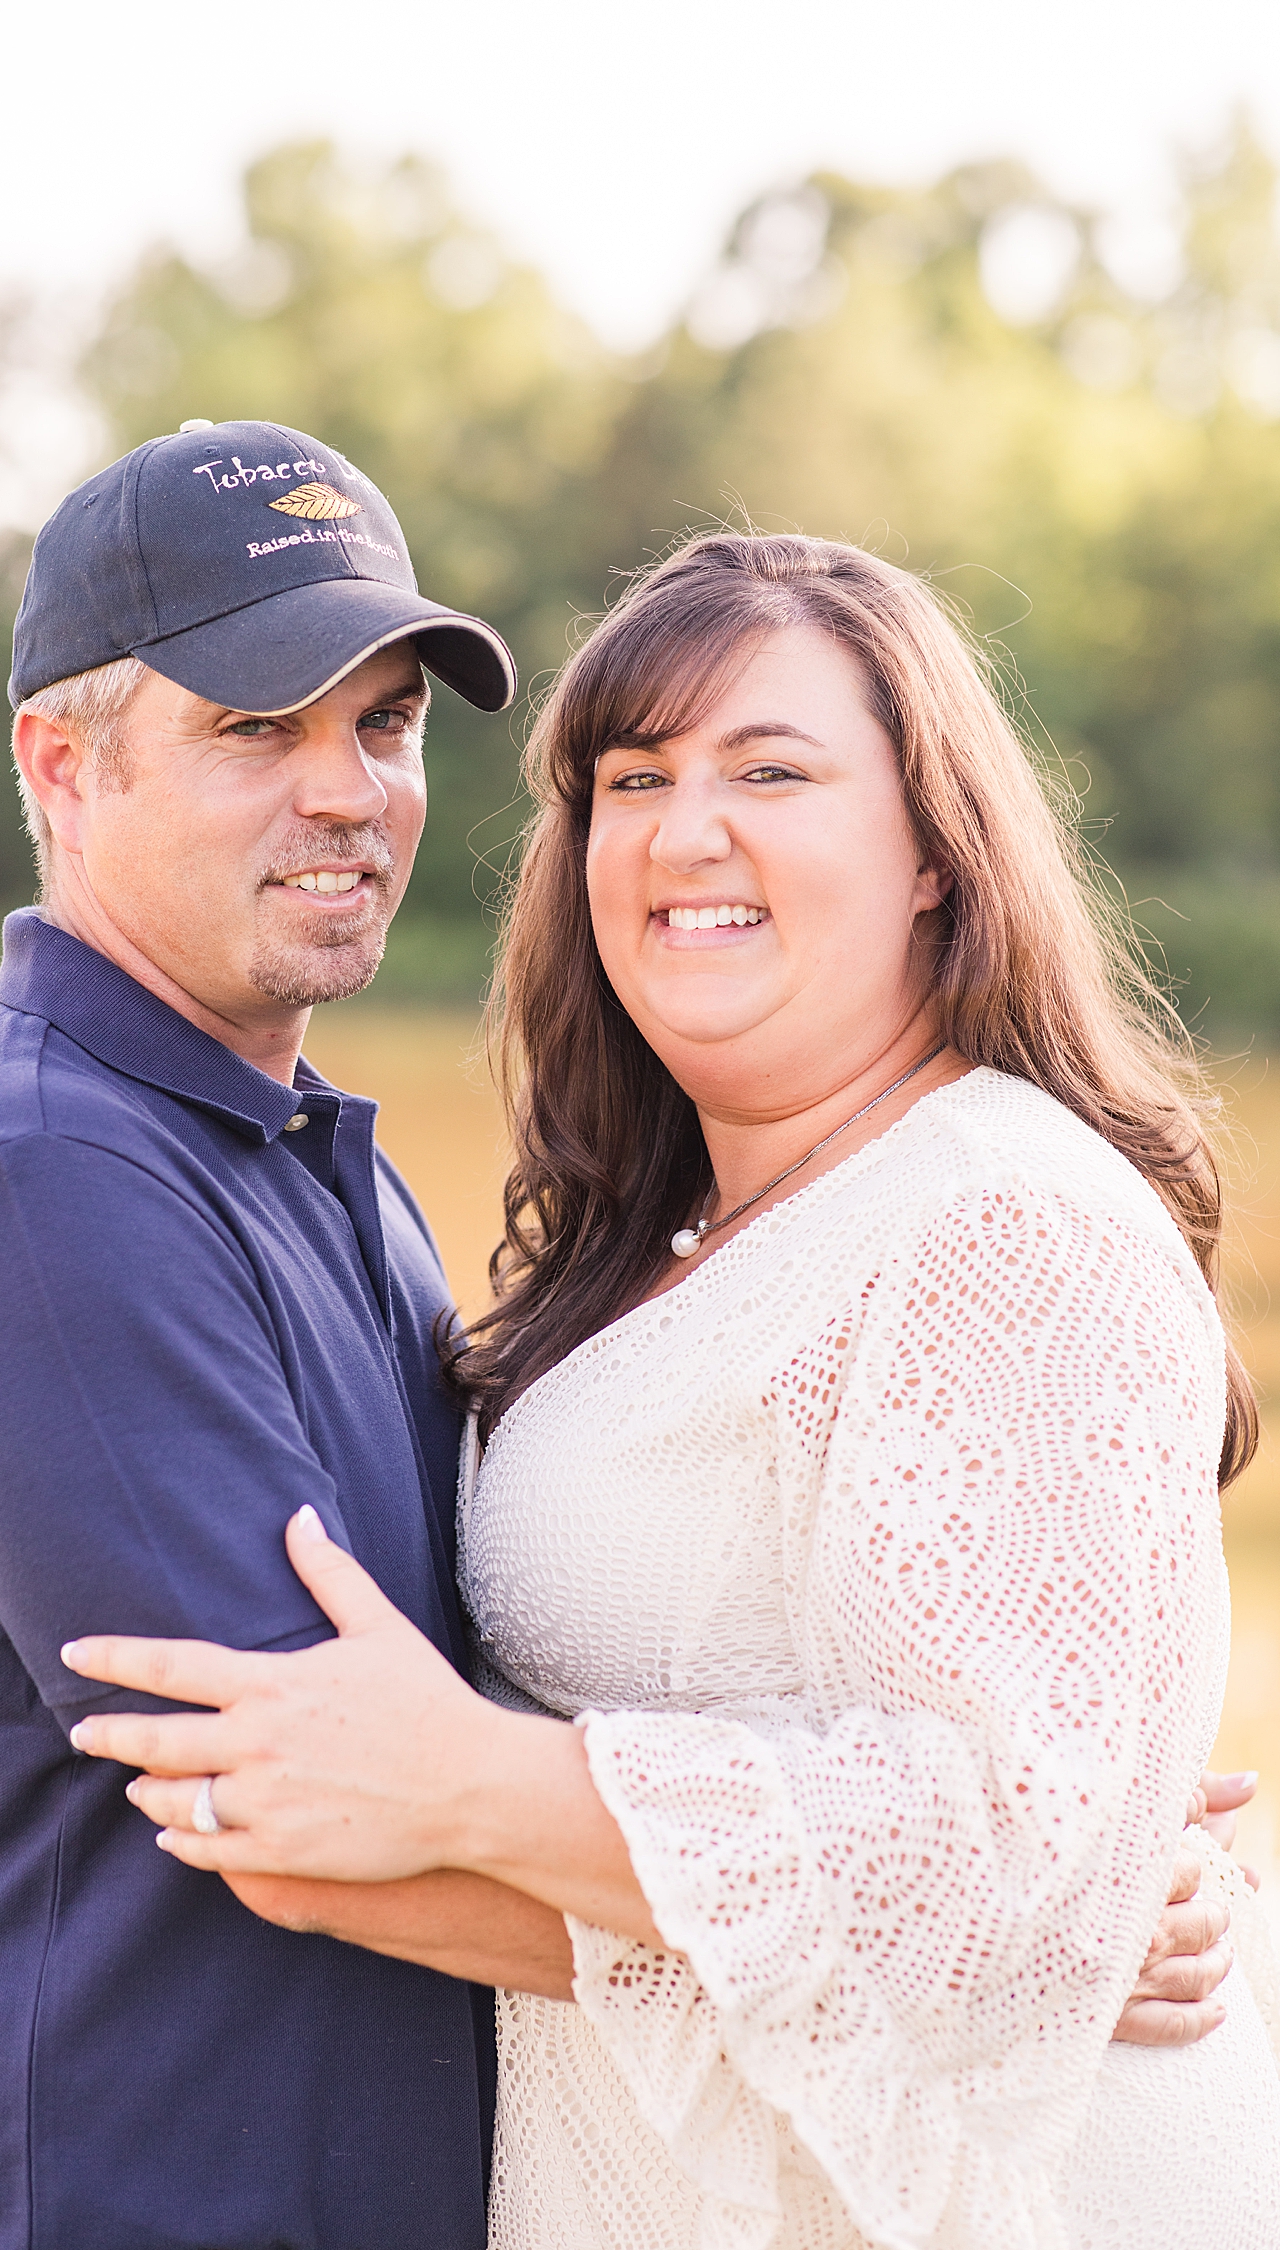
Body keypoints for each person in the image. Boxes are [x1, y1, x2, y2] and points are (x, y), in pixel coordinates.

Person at [66, 532, 1280, 2249]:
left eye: (770, 768)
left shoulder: (1002, 1215)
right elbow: (1019, 1845)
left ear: (935, 848)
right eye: (632, 777)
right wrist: (1050, 1896)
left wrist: (468, 1793)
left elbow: (1010, 1847)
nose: (682, 829)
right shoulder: (664, 1244)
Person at [0, 417, 582, 2250]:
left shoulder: (293, 1148)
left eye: (382, 723)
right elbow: (325, 1820)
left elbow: (468, 1709)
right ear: (59, 765)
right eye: (255, 727)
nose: (351, 789)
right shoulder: (39, 1187)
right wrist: (950, 1952)